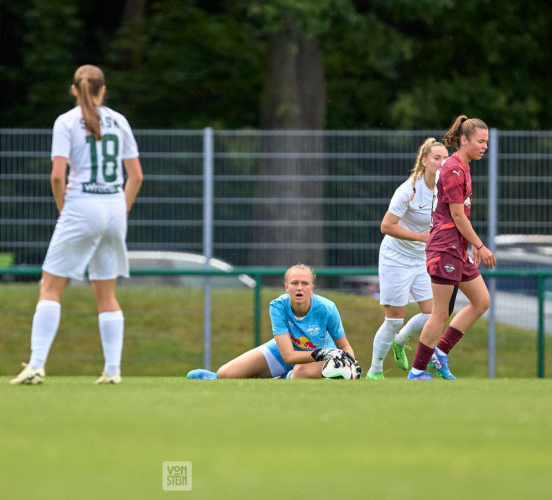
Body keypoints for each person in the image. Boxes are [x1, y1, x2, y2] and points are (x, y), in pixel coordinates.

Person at [10, 64, 143, 386]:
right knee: (107, 294)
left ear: (74, 89)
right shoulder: (120, 121)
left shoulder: (66, 121)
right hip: (113, 207)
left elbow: (58, 175)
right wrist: (120, 210)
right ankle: (112, 371)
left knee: (50, 288)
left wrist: (63, 208)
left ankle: (37, 365)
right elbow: (136, 176)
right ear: (103, 89)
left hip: (82, 206)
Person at [407, 116, 496, 380]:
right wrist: (481, 244)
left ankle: (441, 352)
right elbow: (457, 216)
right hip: (444, 248)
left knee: (481, 301)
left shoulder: (463, 167)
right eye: (480, 141)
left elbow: (460, 216)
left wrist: (471, 246)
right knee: (440, 312)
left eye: (487, 142)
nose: (484, 146)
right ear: (464, 140)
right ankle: (417, 371)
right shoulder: (453, 169)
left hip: (457, 248)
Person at [366, 138, 450, 379]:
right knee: (394, 320)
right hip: (396, 258)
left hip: (422, 260)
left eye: (446, 158)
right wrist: (421, 238)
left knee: (434, 314)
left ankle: (400, 341)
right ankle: (375, 370)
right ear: (424, 161)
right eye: (436, 158)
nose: (442, 162)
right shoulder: (408, 190)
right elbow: (386, 226)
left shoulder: (447, 189)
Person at [186, 264, 361, 380]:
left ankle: (283, 378)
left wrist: (350, 365)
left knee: (299, 374)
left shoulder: (327, 308)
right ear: (286, 286)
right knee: (226, 374)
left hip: (321, 359)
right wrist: (322, 352)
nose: (299, 288)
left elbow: (345, 347)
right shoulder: (277, 306)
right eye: (294, 283)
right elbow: (288, 355)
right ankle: (214, 378)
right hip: (295, 352)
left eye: (304, 283)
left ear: (311, 287)